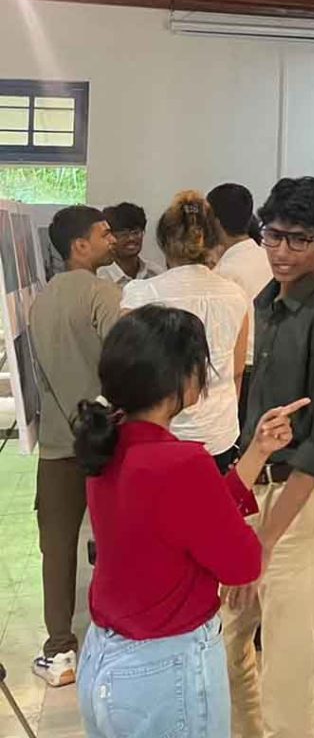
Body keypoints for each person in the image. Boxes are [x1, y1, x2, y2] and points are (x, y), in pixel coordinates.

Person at [72, 305, 306, 737]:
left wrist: (257, 452)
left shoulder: (108, 444)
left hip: (104, 659)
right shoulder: (179, 463)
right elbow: (242, 563)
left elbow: (189, 515)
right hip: (166, 670)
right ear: (182, 378)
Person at [222, 176, 314, 738]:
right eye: (273, 236)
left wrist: (266, 538)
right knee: (228, 641)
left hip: (299, 503)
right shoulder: (266, 302)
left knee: (287, 664)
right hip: (252, 488)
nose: (281, 251)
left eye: (298, 240)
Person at [27, 206, 119, 687]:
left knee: (57, 548)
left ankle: (59, 649)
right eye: (104, 233)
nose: (113, 239)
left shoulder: (38, 302)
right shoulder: (103, 293)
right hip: (106, 443)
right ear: (79, 246)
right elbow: (125, 360)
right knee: (117, 538)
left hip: (57, 446)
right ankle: (117, 632)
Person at [121, 191, 249, 472]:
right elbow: (237, 370)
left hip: (158, 432)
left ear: (163, 242)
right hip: (219, 432)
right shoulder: (236, 295)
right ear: (214, 240)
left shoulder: (140, 294)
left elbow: (125, 371)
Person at [209, 182, 274, 429]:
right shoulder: (269, 259)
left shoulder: (225, 272)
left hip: (242, 372)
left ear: (214, 222)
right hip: (272, 365)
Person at [97, 202, 161, 286]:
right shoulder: (100, 277)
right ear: (111, 237)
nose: (131, 238)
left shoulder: (155, 273)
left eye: (136, 232)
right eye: (124, 234)